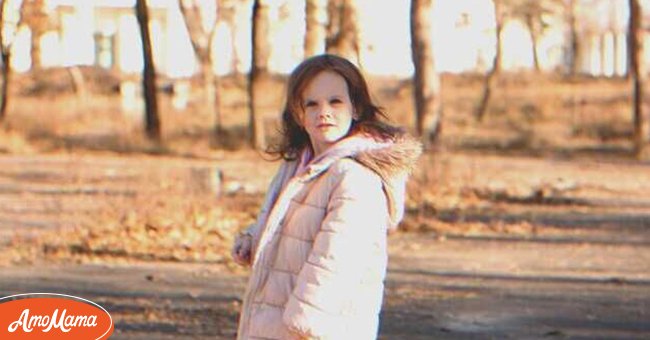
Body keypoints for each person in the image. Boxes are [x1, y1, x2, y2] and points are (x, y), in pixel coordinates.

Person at [231, 54, 422, 340]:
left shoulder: (354, 178)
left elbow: (336, 259)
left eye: (335, 101)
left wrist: (304, 325)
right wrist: (254, 237)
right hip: (274, 323)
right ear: (299, 114)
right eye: (312, 104)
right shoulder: (297, 168)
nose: (324, 112)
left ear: (355, 107)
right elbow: (291, 227)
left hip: (316, 331)